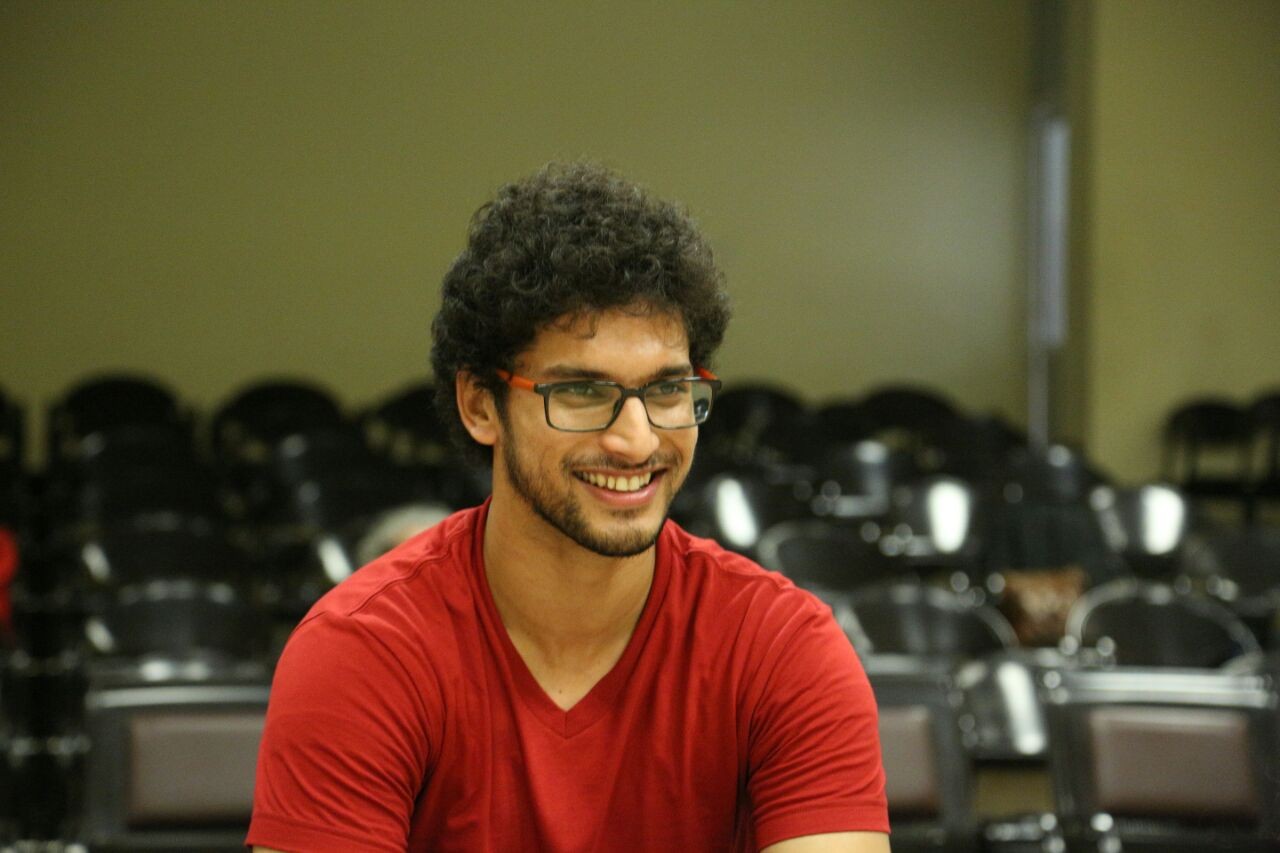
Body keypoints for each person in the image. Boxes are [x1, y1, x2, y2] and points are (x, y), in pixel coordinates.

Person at [247, 163, 890, 852]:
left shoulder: (783, 648)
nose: (636, 440)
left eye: (667, 390)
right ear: (479, 405)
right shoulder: (363, 650)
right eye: (582, 392)